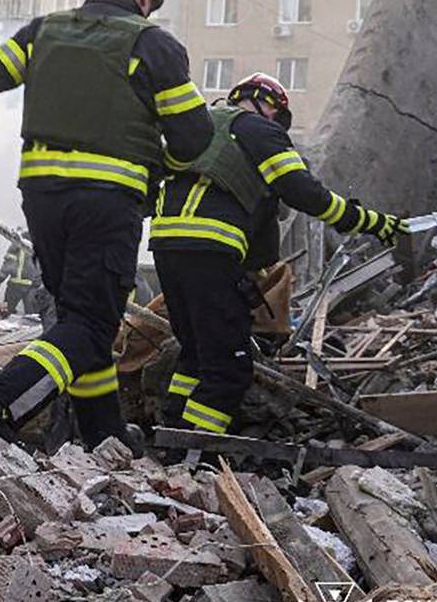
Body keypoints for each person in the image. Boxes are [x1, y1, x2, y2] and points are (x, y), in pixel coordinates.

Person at [0, 0, 212, 449]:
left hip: (42, 197)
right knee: (91, 326)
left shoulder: (42, 32)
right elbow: (195, 137)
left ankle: (103, 435)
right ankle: (1, 404)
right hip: (107, 201)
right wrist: (161, 163)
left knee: (78, 324)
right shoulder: (153, 44)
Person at [150, 73, 400, 436]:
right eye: (277, 115)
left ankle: (172, 430)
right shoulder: (258, 130)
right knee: (229, 367)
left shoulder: (200, 127)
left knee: (195, 352)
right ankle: (198, 449)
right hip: (212, 248)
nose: (277, 123)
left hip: (166, 246)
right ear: (266, 105)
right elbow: (303, 191)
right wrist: (367, 220)